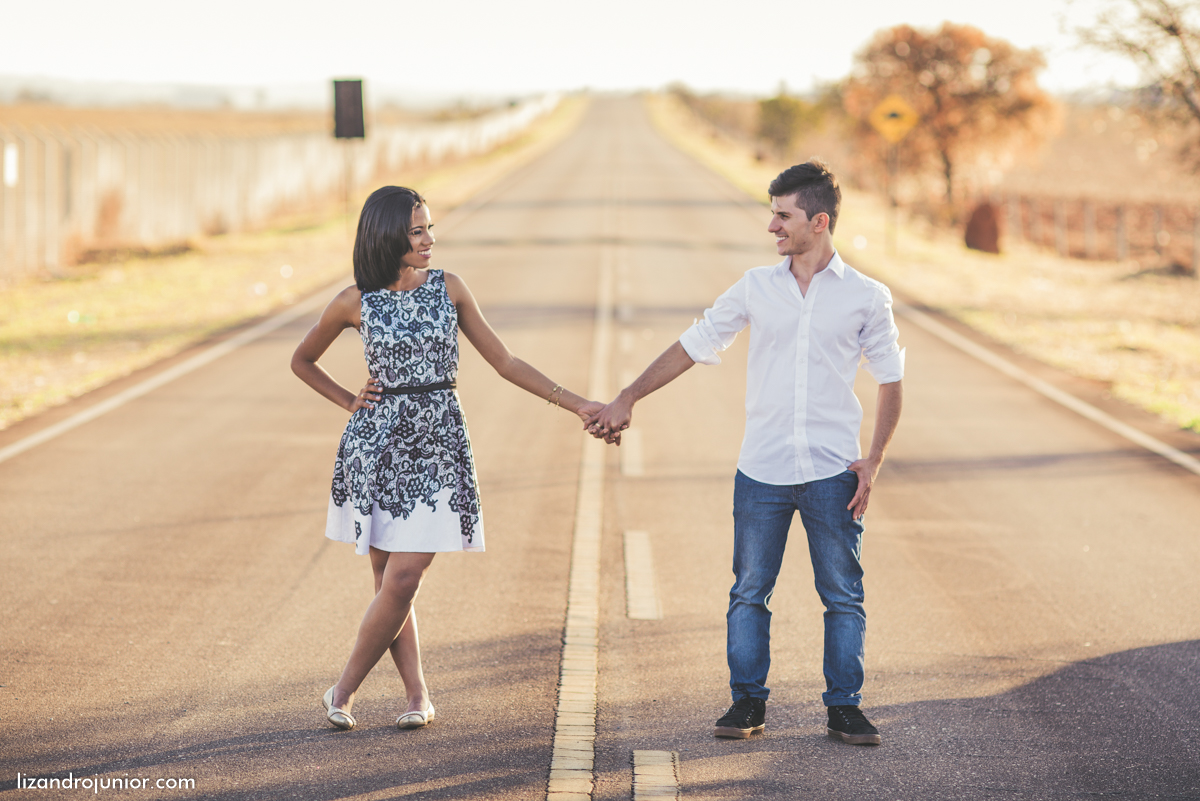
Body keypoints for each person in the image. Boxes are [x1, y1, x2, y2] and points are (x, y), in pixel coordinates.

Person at [586, 161, 904, 746]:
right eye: (773, 213)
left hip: (835, 471)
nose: (773, 227)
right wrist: (629, 395)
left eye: (783, 215)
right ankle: (747, 703)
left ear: (820, 220)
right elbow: (695, 343)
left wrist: (874, 460)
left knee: (842, 594)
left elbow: (891, 380)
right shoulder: (756, 287)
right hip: (762, 470)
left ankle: (844, 708)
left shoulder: (866, 297)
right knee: (749, 591)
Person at [292, 186, 604, 731]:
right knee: (391, 581)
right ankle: (417, 696)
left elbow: (505, 361)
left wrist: (580, 404)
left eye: (430, 227)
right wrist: (350, 402)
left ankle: (340, 691)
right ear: (388, 235)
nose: (429, 239)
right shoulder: (355, 300)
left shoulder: (450, 289)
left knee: (405, 574)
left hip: (438, 447)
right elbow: (303, 360)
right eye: (417, 230)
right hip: (378, 449)